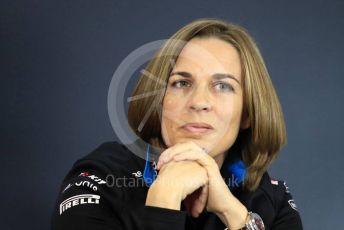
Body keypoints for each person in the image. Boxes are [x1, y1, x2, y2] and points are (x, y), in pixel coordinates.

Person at [51, 18, 303, 230]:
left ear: (248, 112)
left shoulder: (271, 196)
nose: (199, 102)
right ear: (158, 100)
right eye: (181, 83)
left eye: (223, 86)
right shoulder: (101, 177)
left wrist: (234, 214)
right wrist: (164, 197)